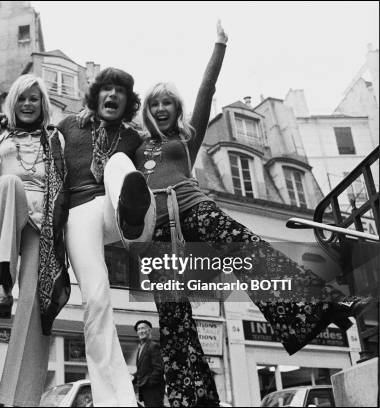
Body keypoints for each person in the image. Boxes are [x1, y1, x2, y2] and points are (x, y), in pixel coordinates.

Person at [137, 20, 374, 406]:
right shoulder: (136, 146)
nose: (161, 108)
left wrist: (219, 46)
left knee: (248, 246)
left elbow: (206, 89)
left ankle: (320, 307)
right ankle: (193, 398)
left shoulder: (185, 138)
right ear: (147, 111)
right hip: (160, 233)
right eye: (155, 103)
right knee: (173, 314)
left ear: (175, 109)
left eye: (168, 102)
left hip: (196, 210)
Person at [0, 67, 156, 406]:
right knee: (96, 298)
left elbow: (164, 158)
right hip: (78, 213)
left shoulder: (134, 138)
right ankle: (114, 401)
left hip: (114, 207)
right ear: (94, 97)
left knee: (120, 162)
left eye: (119, 90)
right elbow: (31, 127)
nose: (112, 95)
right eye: (105, 89)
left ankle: (132, 212)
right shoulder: (68, 126)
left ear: (128, 100)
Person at [0, 74, 70, 406]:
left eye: (34, 99)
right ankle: (3, 280)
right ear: (11, 103)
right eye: (21, 98)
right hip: (4, 214)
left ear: (42, 105)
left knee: (35, 306)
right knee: (10, 183)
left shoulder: (56, 138)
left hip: (42, 224)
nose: (27, 104)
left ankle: (18, 399)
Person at [132, 320, 165, 407]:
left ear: (149, 330)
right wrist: (131, 379)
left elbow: (159, 368)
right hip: (145, 389)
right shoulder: (140, 347)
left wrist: (149, 383)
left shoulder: (153, 346)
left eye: (143, 328)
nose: (140, 331)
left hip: (153, 389)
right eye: (138, 329)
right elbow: (141, 370)